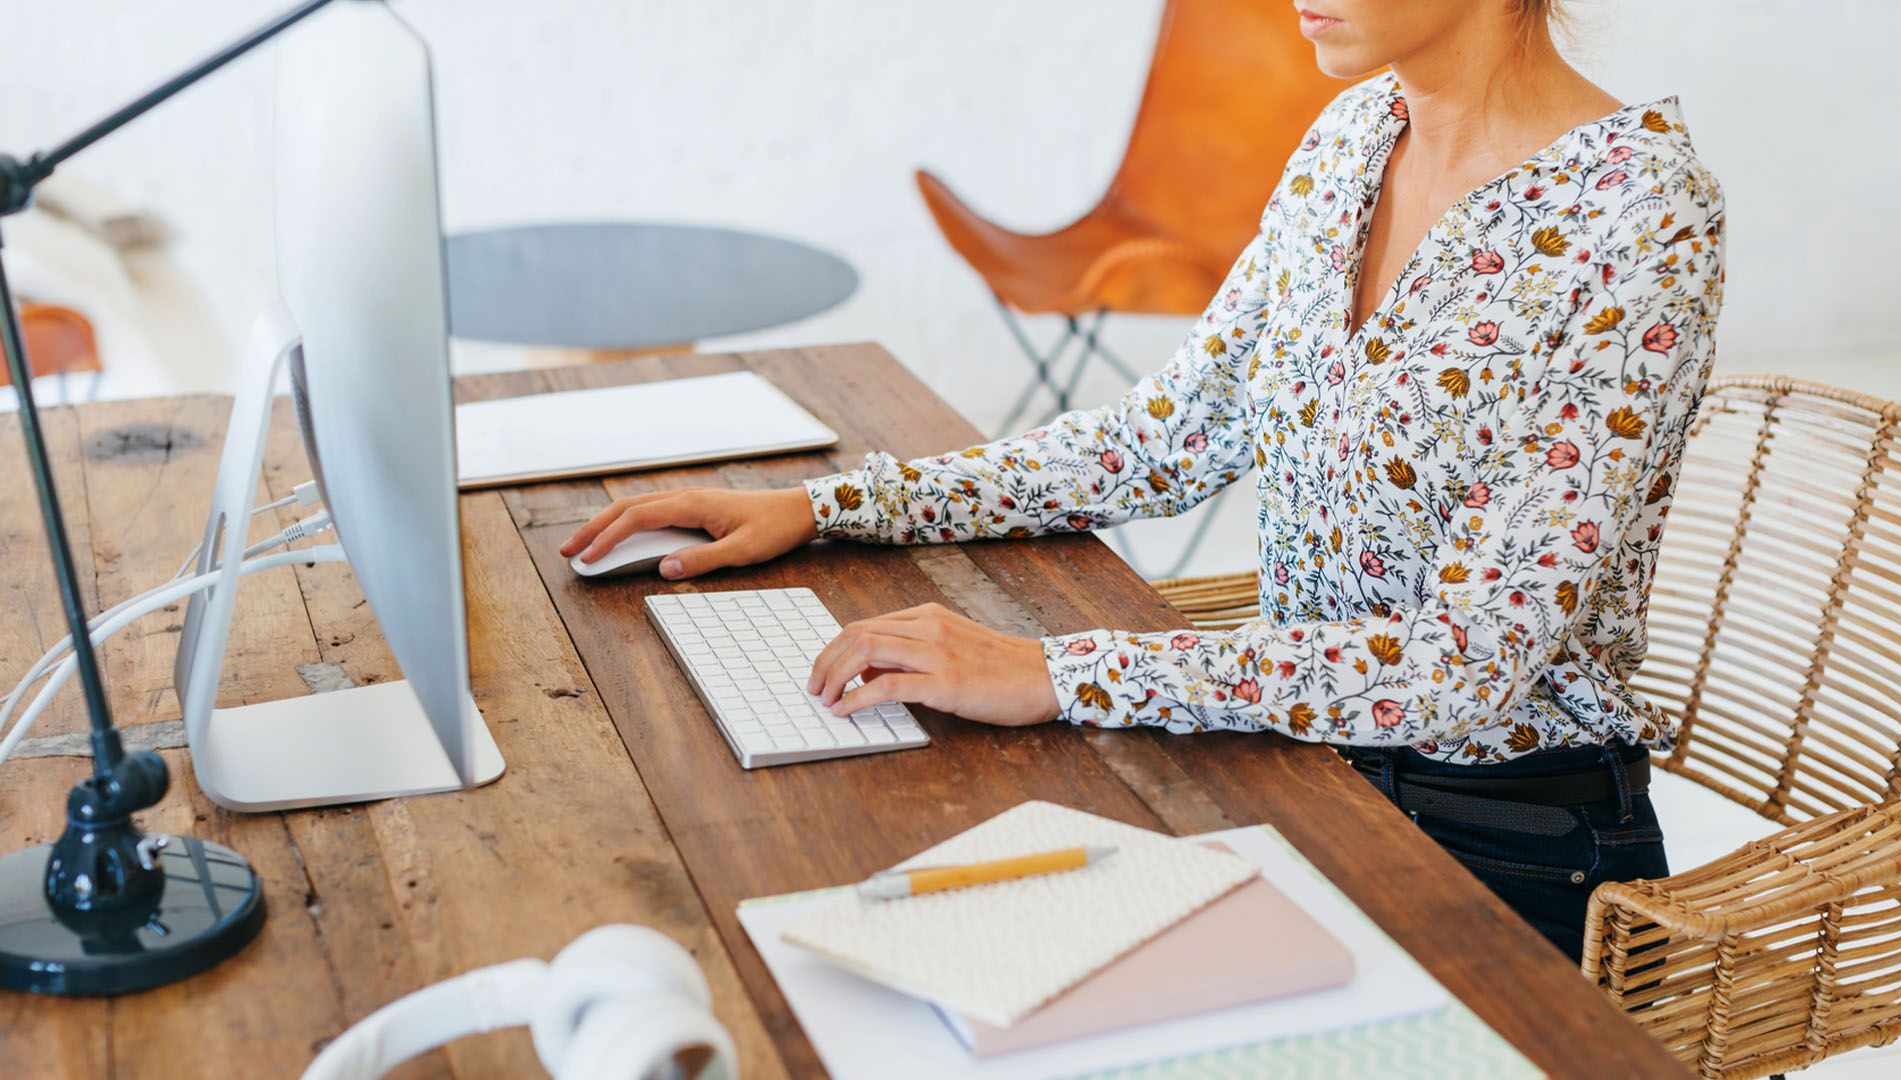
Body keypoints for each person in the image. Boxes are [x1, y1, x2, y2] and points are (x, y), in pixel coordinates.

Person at [562, 0, 1725, 960]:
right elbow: (1160, 438)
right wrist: (831, 508)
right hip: (1293, 769)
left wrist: (1056, 671)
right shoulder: (1353, 136)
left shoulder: (1638, 212)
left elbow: (1462, 664)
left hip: (1504, 844)